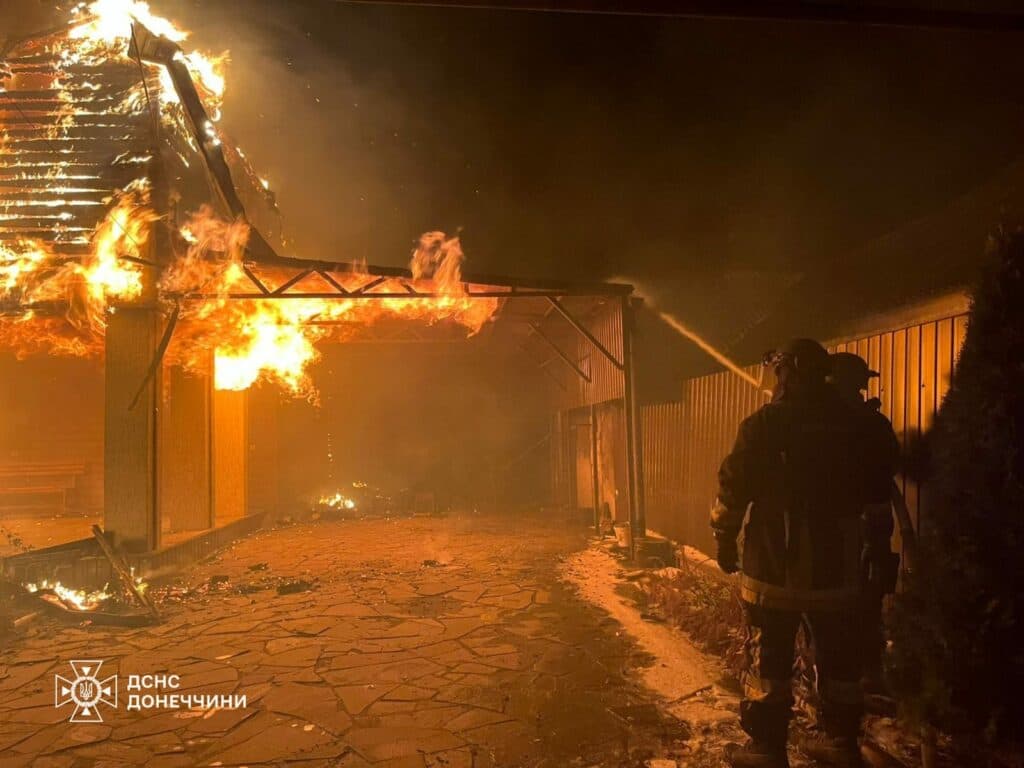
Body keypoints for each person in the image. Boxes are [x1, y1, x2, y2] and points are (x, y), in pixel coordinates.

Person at [712, 339, 896, 768]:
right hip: (837, 571)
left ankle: (766, 748)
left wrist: (723, 538)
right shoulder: (856, 428)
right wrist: (877, 550)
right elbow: (877, 498)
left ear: (788, 374)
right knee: (840, 660)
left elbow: (732, 488)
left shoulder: (763, 425)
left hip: (773, 568)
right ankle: (840, 743)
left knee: (770, 660)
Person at [829, 352, 902, 693]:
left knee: (840, 597)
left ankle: (845, 672)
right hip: (874, 523)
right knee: (868, 597)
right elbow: (893, 461)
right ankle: (867, 670)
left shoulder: (831, 421)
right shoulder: (874, 422)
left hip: (844, 525)